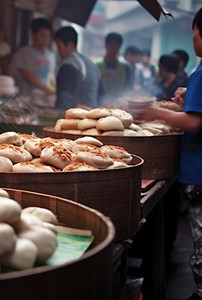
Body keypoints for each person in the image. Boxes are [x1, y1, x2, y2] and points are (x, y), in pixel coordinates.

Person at [140, 7, 202, 300]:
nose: (193, 38)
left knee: (201, 243)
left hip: (199, 172)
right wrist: (185, 95)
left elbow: (193, 121)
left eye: (194, 32)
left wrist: (155, 111)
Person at [53, 26, 101, 110]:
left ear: (70, 45)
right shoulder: (90, 63)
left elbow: (64, 98)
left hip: (75, 118)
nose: (58, 51)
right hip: (90, 117)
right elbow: (102, 94)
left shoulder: (69, 65)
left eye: (59, 46)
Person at [8, 17, 56, 98]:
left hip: (42, 100)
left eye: (47, 36)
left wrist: (54, 91)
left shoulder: (50, 55)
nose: (45, 39)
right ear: (32, 35)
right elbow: (28, 76)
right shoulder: (24, 53)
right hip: (24, 98)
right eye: (42, 35)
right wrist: (48, 91)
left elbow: (51, 77)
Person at [95, 32, 132, 103]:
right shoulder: (97, 65)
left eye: (118, 46)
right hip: (99, 104)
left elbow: (129, 88)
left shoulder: (125, 67)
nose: (115, 49)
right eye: (112, 45)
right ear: (106, 45)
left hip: (119, 104)